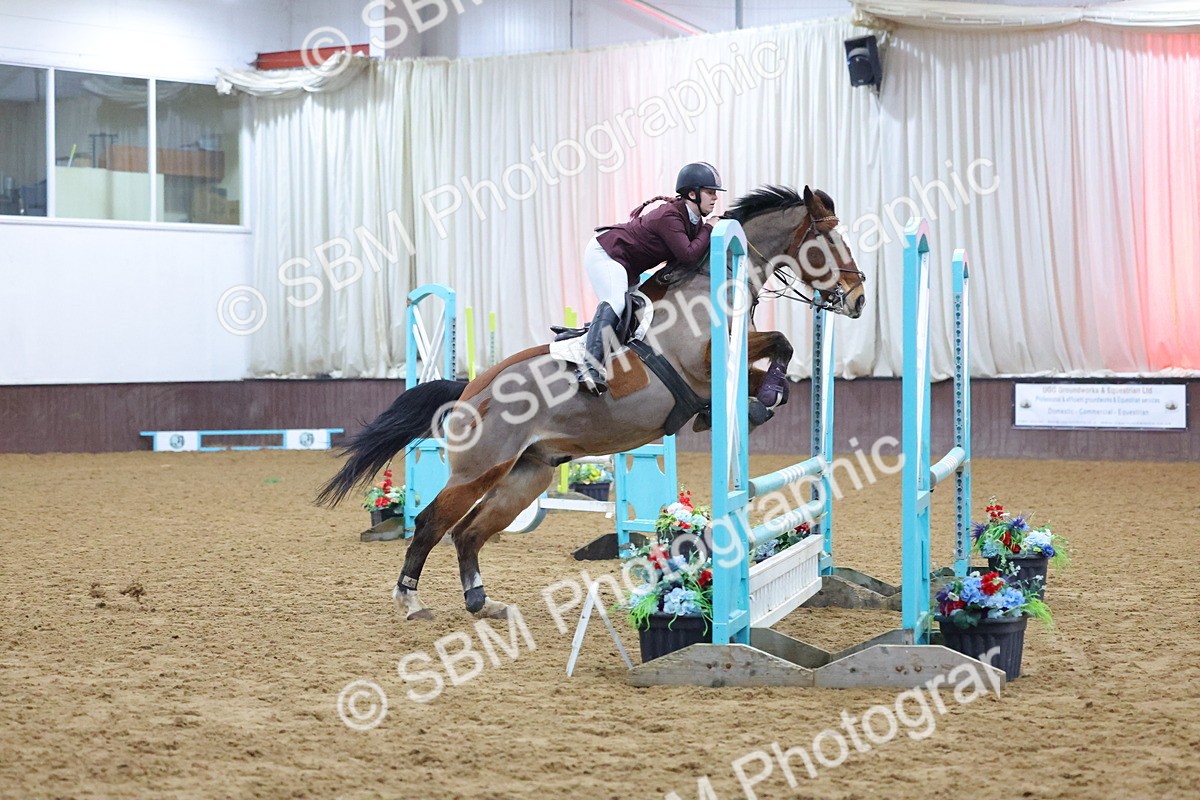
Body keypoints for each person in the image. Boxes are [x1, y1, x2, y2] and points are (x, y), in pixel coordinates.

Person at [577, 161, 724, 394]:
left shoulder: (693, 222)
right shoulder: (671, 216)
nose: (715, 198)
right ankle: (588, 367)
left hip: (627, 264)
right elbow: (687, 256)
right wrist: (710, 228)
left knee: (635, 315)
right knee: (616, 303)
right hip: (607, 253)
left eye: (715, 193)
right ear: (692, 194)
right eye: (710, 192)